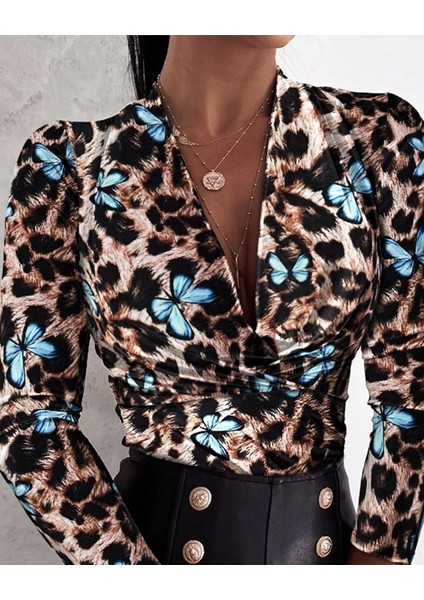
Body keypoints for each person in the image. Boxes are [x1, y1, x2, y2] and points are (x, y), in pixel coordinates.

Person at [0, 35, 423, 566]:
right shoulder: (69, 167)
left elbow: (411, 389)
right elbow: (28, 424)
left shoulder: (378, 140)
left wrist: (376, 568)